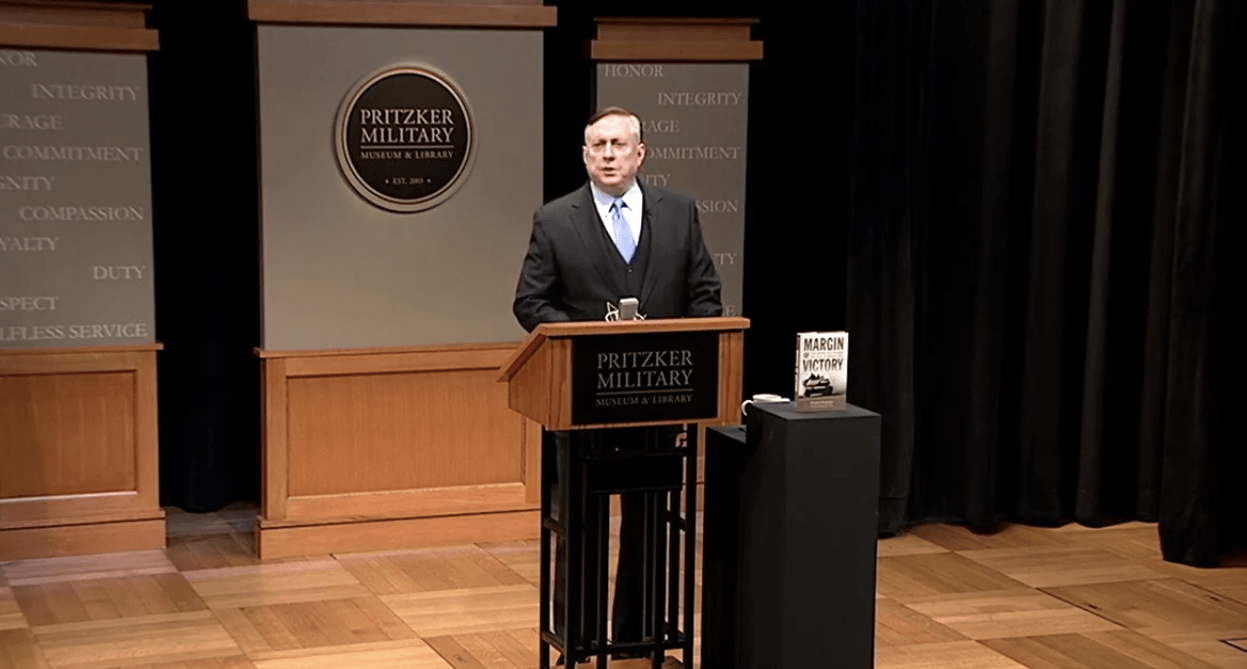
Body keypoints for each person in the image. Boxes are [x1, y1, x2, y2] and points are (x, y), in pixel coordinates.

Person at [513, 107, 722, 660]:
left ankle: (638, 639)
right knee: (580, 524)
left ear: (640, 153)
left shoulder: (680, 213)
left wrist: (684, 349)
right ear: (585, 155)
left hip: (659, 397)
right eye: (598, 145)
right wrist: (583, 338)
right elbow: (530, 302)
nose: (608, 154)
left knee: (650, 522)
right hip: (582, 399)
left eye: (619, 144)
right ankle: (578, 643)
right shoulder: (555, 220)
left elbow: (706, 296)